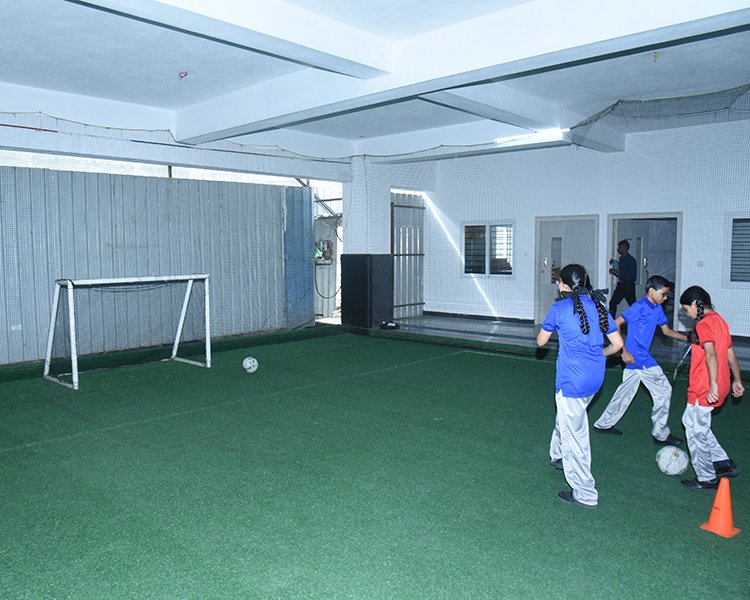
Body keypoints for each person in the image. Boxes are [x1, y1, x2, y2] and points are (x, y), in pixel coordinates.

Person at [537, 264, 623, 509]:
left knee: (575, 436)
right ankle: (558, 455)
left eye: (559, 281)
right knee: (567, 418)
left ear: (564, 286)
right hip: (595, 379)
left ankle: (585, 492)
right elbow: (617, 345)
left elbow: (541, 342)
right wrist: (598, 355)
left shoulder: (560, 308)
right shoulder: (600, 307)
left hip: (571, 381)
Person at [594, 276, 687, 445]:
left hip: (638, 359)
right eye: (663, 294)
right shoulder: (639, 307)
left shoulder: (657, 308)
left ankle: (603, 424)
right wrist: (623, 350)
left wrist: (688, 338)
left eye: (667, 295)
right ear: (651, 291)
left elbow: (666, 331)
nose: (665, 298)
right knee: (664, 390)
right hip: (639, 357)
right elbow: (616, 323)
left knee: (625, 393)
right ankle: (660, 434)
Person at [678, 286, 744, 489]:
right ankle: (722, 462)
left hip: (705, 386)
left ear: (695, 304)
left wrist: (712, 384)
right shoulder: (719, 320)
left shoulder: (704, 324)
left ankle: (706, 477)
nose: (687, 313)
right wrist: (737, 379)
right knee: (690, 422)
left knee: (696, 433)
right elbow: (730, 354)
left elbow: (711, 354)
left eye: (686, 309)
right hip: (721, 382)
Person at [608, 240, 637, 317]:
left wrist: (617, 271)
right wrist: (614, 266)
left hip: (628, 285)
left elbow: (630, 274)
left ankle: (639, 320)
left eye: (620, 247)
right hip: (621, 285)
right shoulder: (621, 259)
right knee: (613, 303)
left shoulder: (631, 260)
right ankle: (611, 322)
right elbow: (620, 271)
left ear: (625, 248)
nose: (618, 249)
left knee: (633, 305)